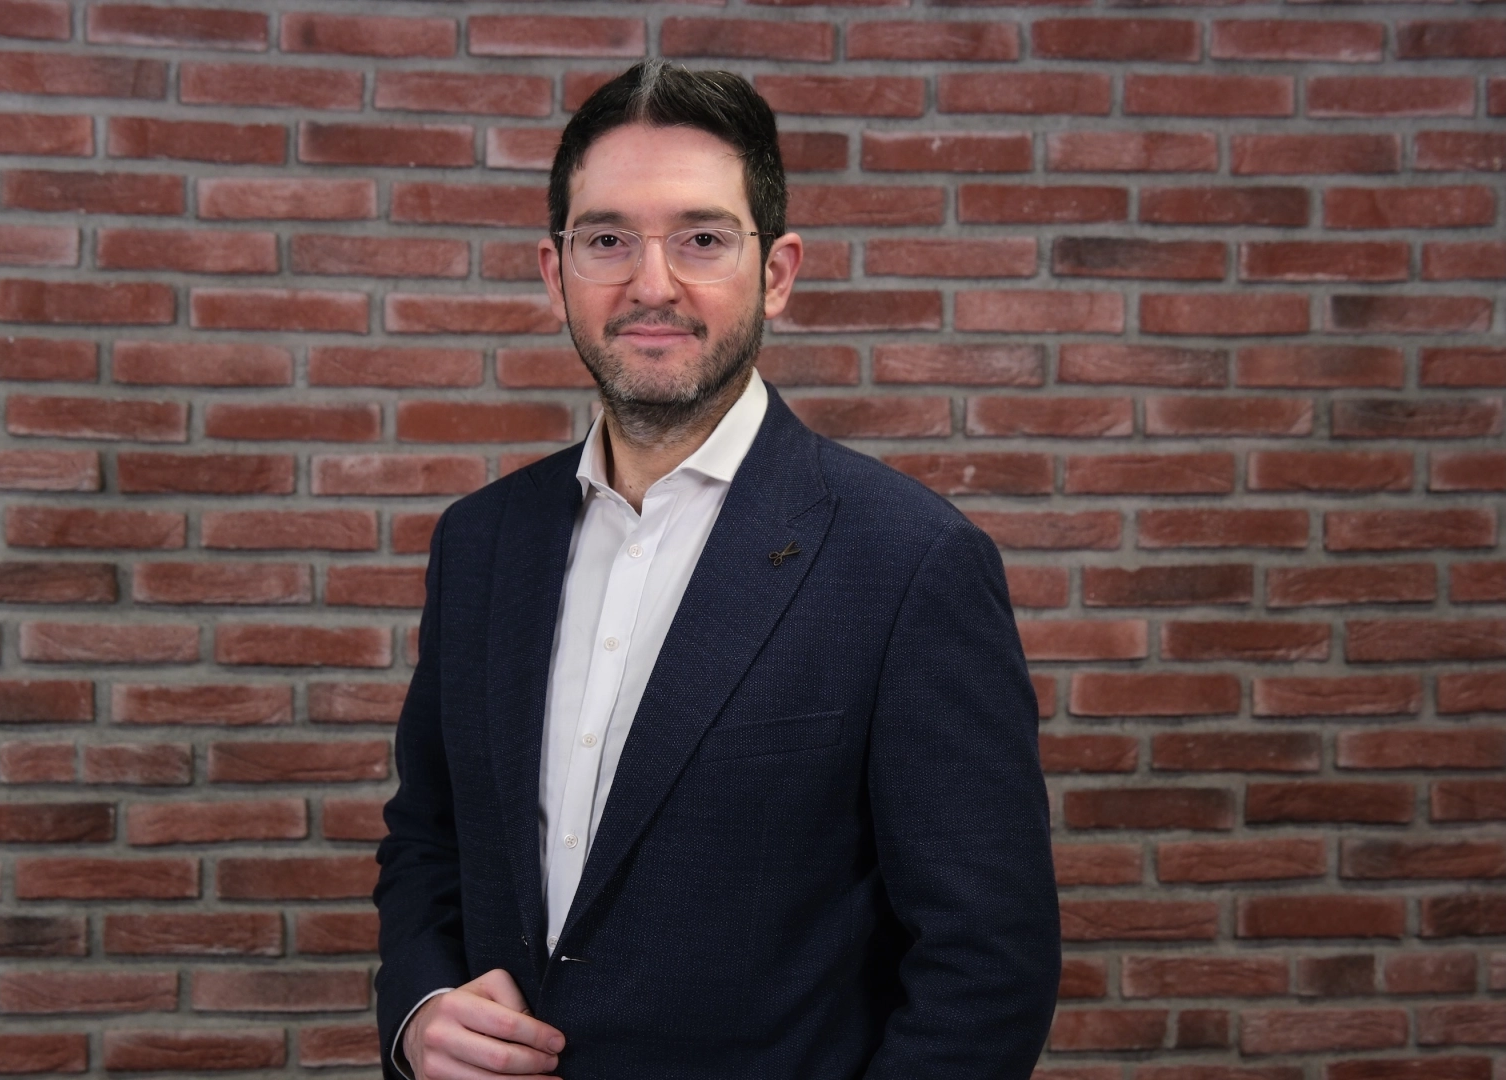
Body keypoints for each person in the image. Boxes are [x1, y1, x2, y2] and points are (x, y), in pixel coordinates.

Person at [374, 60, 1060, 1080]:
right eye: (608, 239)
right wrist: (421, 1010)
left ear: (776, 273)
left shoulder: (910, 561)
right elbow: (427, 841)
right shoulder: (481, 543)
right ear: (556, 273)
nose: (652, 284)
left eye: (701, 238)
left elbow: (989, 968)